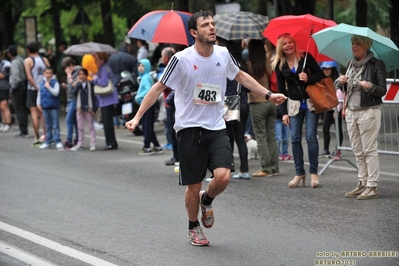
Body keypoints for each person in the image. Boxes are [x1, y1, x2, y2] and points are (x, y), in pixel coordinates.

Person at [125, 11, 287, 246]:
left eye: (213, 24)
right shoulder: (180, 59)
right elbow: (159, 88)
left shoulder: (223, 54)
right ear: (194, 33)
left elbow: (241, 76)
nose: (212, 28)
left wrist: (269, 94)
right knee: (194, 184)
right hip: (189, 128)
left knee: (223, 176)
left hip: (215, 125)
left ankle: (207, 200)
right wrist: (137, 117)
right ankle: (193, 227)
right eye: (206, 25)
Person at [271, 33, 325, 188]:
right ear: (281, 47)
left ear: (294, 43)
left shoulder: (305, 57)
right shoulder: (279, 65)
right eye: (285, 44)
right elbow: (281, 90)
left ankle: (314, 172)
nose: (288, 45)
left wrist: (308, 78)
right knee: (294, 139)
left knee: (311, 137)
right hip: (293, 105)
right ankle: (299, 172)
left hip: (310, 103)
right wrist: (284, 113)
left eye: (290, 42)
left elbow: (320, 74)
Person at [336, 35, 386, 200]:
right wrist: (342, 81)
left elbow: (382, 90)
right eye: (352, 44)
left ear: (365, 45)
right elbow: (346, 88)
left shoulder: (376, 64)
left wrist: (370, 86)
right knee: (358, 150)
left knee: (369, 149)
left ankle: (372, 186)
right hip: (352, 111)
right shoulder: (351, 64)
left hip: (368, 111)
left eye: (357, 43)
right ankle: (362, 182)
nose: (354, 46)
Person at [216, 37, 250, 179]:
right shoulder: (242, 64)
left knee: (227, 139)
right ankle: (245, 170)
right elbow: (248, 87)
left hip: (229, 103)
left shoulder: (225, 65)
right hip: (243, 102)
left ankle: (227, 170)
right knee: (240, 138)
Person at [247, 39, 279, 177]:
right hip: (271, 101)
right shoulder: (269, 63)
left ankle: (266, 168)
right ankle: (275, 167)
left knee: (261, 136)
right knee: (271, 136)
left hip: (257, 103)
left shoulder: (249, 66)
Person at [265, 40, 293, 161]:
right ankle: (279, 152)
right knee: (279, 129)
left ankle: (284, 151)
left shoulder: (283, 66)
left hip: (282, 98)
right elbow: (275, 83)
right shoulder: (275, 67)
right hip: (276, 98)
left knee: (284, 128)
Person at [24, 42, 51, 146]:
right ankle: (46, 135)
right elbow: (50, 72)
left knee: (34, 113)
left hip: (33, 88)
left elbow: (29, 77)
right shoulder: (45, 59)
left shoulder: (28, 61)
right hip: (44, 87)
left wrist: (35, 87)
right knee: (43, 113)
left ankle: (36, 138)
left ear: (27, 50)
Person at [135, 58, 163, 155]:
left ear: (147, 67)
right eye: (139, 65)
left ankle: (147, 146)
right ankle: (156, 145)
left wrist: (139, 96)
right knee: (148, 124)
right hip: (148, 103)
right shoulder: (144, 77)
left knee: (147, 125)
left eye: (143, 66)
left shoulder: (146, 77)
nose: (140, 68)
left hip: (148, 103)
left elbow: (148, 90)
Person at [93, 52, 119, 150]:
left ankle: (110, 143)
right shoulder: (104, 68)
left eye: (96, 59)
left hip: (107, 99)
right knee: (108, 122)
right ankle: (111, 142)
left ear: (102, 59)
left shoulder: (103, 69)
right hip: (108, 99)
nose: (95, 61)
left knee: (107, 122)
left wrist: (95, 79)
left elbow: (103, 83)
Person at [109, 40, 138, 128]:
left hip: (114, 82)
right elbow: (135, 73)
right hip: (126, 83)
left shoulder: (111, 57)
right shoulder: (131, 58)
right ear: (127, 47)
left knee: (115, 102)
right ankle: (126, 121)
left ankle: (116, 122)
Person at [159, 47, 180, 165]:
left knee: (174, 131)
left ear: (167, 57)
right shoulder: (171, 67)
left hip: (172, 103)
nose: (162, 58)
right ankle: (176, 155)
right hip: (171, 103)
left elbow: (166, 85)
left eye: (162, 56)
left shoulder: (173, 67)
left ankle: (177, 157)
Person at [318, 61, 343, 157]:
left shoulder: (337, 80)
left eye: (328, 69)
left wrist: (337, 110)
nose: (326, 71)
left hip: (336, 108)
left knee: (338, 129)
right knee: (325, 128)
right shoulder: (323, 79)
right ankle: (325, 149)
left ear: (332, 69)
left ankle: (338, 149)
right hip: (328, 108)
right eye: (324, 69)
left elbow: (340, 96)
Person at [71, 68, 97, 151]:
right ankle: (80, 143)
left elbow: (94, 97)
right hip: (80, 108)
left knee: (91, 126)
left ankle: (93, 143)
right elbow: (73, 93)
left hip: (89, 108)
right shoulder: (78, 85)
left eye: (83, 74)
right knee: (80, 127)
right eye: (80, 75)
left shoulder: (90, 84)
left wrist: (94, 109)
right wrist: (77, 85)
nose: (81, 76)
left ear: (86, 75)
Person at [38, 67, 63, 151]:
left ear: (52, 74)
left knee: (55, 125)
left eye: (50, 73)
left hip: (53, 107)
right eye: (47, 73)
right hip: (45, 106)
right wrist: (38, 103)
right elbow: (39, 93)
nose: (48, 75)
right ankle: (48, 141)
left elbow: (56, 93)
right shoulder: (41, 83)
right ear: (44, 74)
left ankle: (57, 141)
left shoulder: (55, 82)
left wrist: (48, 87)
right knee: (47, 125)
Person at [7, 45, 29, 137]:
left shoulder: (15, 62)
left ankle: (23, 130)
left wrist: (12, 87)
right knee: (23, 108)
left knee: (19, 109)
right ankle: (25, 129)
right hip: (23, 85)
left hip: (18, 87)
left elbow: (15, 76)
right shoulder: (20, 60)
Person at [61, 57, 81, 149]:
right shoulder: (72, 72)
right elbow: (70, 86)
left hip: (75, 99)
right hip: (70, 99)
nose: (66, 70)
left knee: (69, 120)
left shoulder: (78, 71)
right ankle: (77, 139)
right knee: (74, 121)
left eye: (66, 68)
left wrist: (69, 75)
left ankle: (69, 140)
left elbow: (74, 86)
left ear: (71, 65)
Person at [0, 50, 12, 133]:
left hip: (4, 87)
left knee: (4, 105)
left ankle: (8, 123)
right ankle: (3, 123)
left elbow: (4, 75)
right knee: (1, 107)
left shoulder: (6, 64)